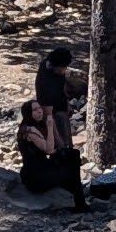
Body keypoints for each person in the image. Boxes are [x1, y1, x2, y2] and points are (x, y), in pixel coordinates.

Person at [16, 44, 87, 209]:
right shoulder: (45, 86)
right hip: (37, 175)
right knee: (68, 154)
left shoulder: (50, 65)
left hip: (59, 108)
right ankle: (77, 199)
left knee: (71, 154)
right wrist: (59, 142)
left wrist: (66, 103)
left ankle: (76, 196)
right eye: (63, 68)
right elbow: (49, 141)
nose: (64, 71)